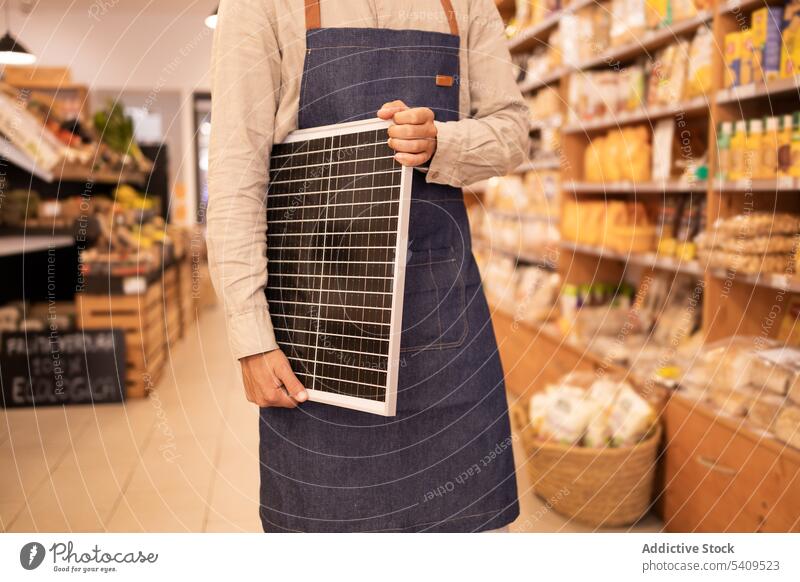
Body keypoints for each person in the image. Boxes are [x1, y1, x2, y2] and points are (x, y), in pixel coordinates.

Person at [207, 0, 529, 532]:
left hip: (441, 312)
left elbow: (513, 131)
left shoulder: (464, 6)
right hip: (317, 331)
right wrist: (250, 335)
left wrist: (440, 142)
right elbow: (237, 175)